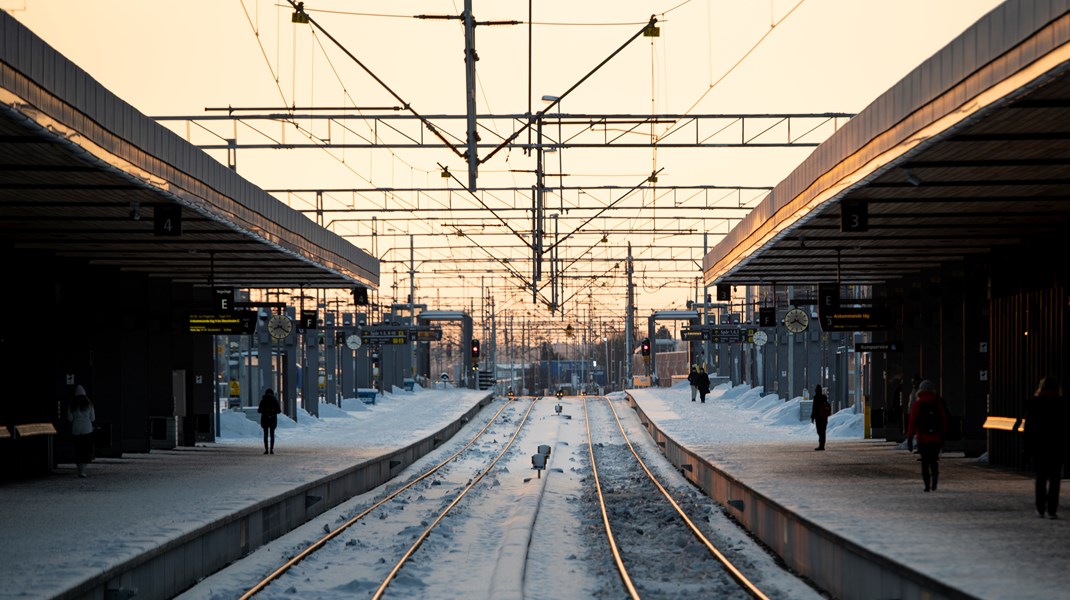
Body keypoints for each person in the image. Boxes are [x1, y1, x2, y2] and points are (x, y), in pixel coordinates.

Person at [1023, 377, 1067, 519]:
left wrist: (1027, 449)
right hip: (1056, 447)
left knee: (1041, 478)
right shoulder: (1061, 405)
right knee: (1055, 479)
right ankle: (1052, 508)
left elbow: (1028, 429)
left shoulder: (1034, 404)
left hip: (1039, 447)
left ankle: (1041, 507)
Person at [906, 379, 948, 492]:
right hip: (936, 438)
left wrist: (910, 437)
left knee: (925, 462)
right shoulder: (938, 404)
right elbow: (943, 420)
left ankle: (927, 484)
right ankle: (935, 479)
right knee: (934, 461)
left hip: (922, 438)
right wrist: (943, 435)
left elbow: (912, 422)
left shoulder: (917, 405)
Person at [68, 385, 95, 478]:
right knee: (86, 451)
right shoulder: (89, 405)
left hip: (76, 430)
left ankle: (79, 469)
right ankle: (83, 470)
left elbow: (70, 419)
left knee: (78, 450)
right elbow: (93, 418)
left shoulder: (72, 406)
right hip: (87, 430)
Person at [258, 388, 282, 454]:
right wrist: (273, 412)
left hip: (265, 420)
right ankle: (271, 450)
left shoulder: (263, 400)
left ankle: (266, 450)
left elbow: (259, 410)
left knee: (265, 435)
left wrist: (265, 412)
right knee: (272, 435)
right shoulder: (274, 400)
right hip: (273, 419)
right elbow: (279, 411)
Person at [810, 384, 831, 451]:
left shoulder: (816, 397)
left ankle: (821, 445)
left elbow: (814, 408)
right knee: (823, 431)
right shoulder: (824, 397)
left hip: (818, 417)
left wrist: (812, 417)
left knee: (819, 431)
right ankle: (822, 445)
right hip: (824, 418)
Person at [905, 374, 921, 452]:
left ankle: (920, 447)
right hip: (914, 411)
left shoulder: (917, 390)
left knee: (918, 430)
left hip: (916, 412)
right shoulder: (915, 389)